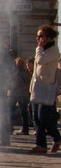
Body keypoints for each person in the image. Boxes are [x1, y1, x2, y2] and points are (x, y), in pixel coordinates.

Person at [28, 24, 61, 154]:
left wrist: (39, 47)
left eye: (40, 36)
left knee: (44, 118)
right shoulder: (42, 49)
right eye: (37, 36)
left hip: (46, 88)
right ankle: (41, 145)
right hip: (37, 87)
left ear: (48, 37)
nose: (38, 38)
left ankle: (57, 138)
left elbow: (40, 61)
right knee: (35, 117)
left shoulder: (53, 50)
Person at [9, 57, 31, 136]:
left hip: (14, 93)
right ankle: (25, 129)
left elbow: (11, 83)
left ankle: (10, 128)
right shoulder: (26, 73)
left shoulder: (13, 73)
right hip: (24, 94)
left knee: (11, 112)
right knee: (24, 112)